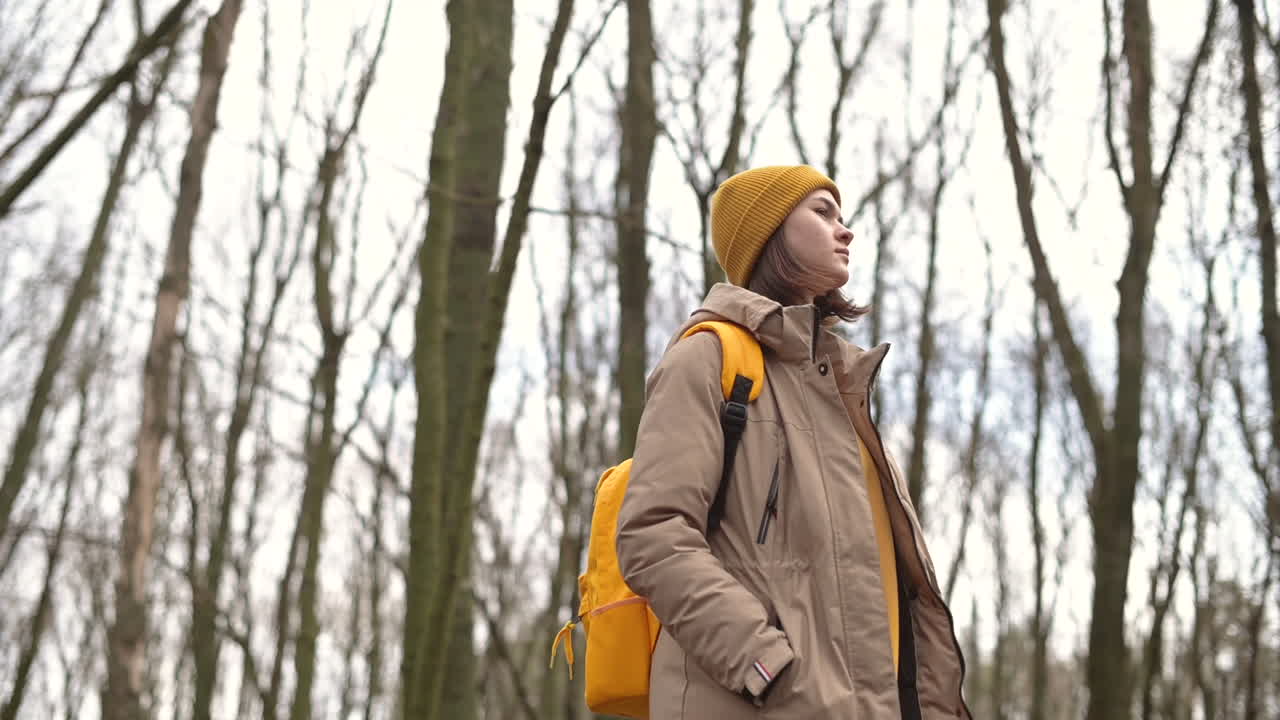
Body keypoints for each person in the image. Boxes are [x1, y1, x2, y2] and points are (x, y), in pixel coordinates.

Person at [616, 165, 970, 719]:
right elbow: (652, 536)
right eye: (822, 212)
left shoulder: (841, 387)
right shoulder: (706, 359)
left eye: (843, 216)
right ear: (769, 234)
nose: (845, 229)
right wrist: (766, 666)